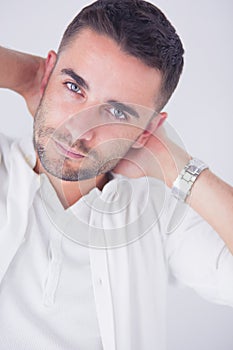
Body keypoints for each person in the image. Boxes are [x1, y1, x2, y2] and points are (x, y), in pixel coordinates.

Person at [0, 0, 232, 349]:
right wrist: (25, 76)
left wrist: (176, 166)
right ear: (49, 73)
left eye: (117, 112)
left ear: (148, 130)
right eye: (74, 87)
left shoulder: (156, 217)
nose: (80, 130)